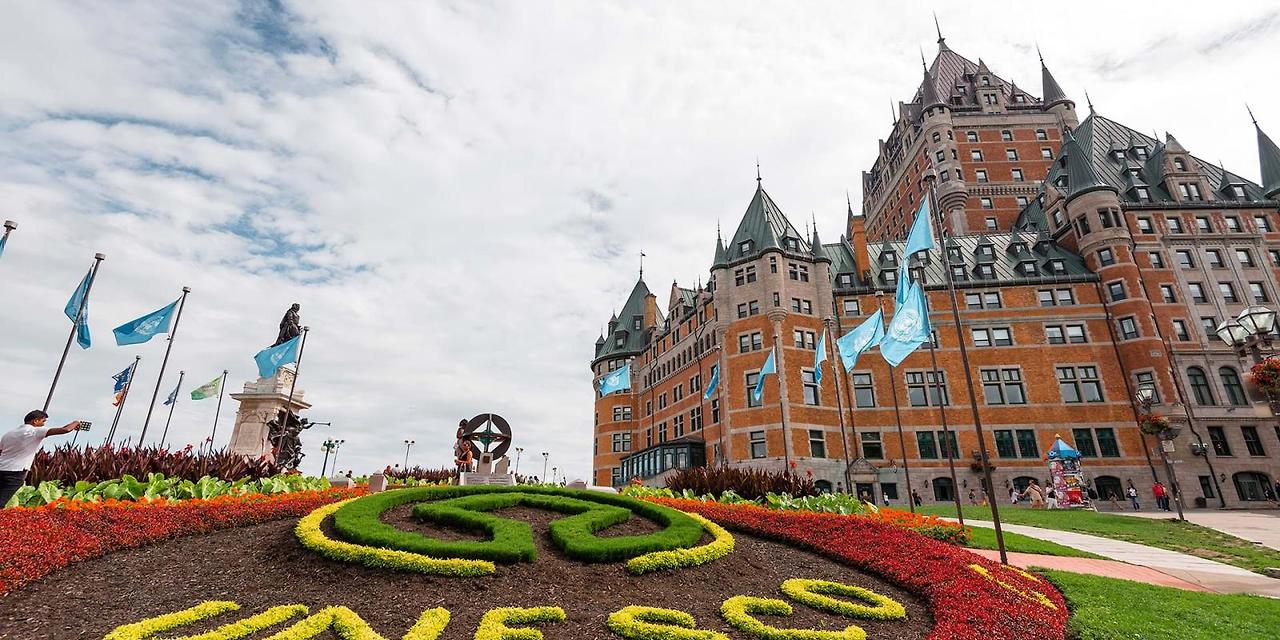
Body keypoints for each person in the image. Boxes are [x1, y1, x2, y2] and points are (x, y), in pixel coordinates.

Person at [0, 411, 81, 507]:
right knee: (1, 501)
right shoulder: (34, 431)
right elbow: (65, 429)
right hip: (15, 473)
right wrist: (76, 422)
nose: (43, 424)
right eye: (43, 421)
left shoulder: (9, 434)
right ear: (35, 421)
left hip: (1, 468)